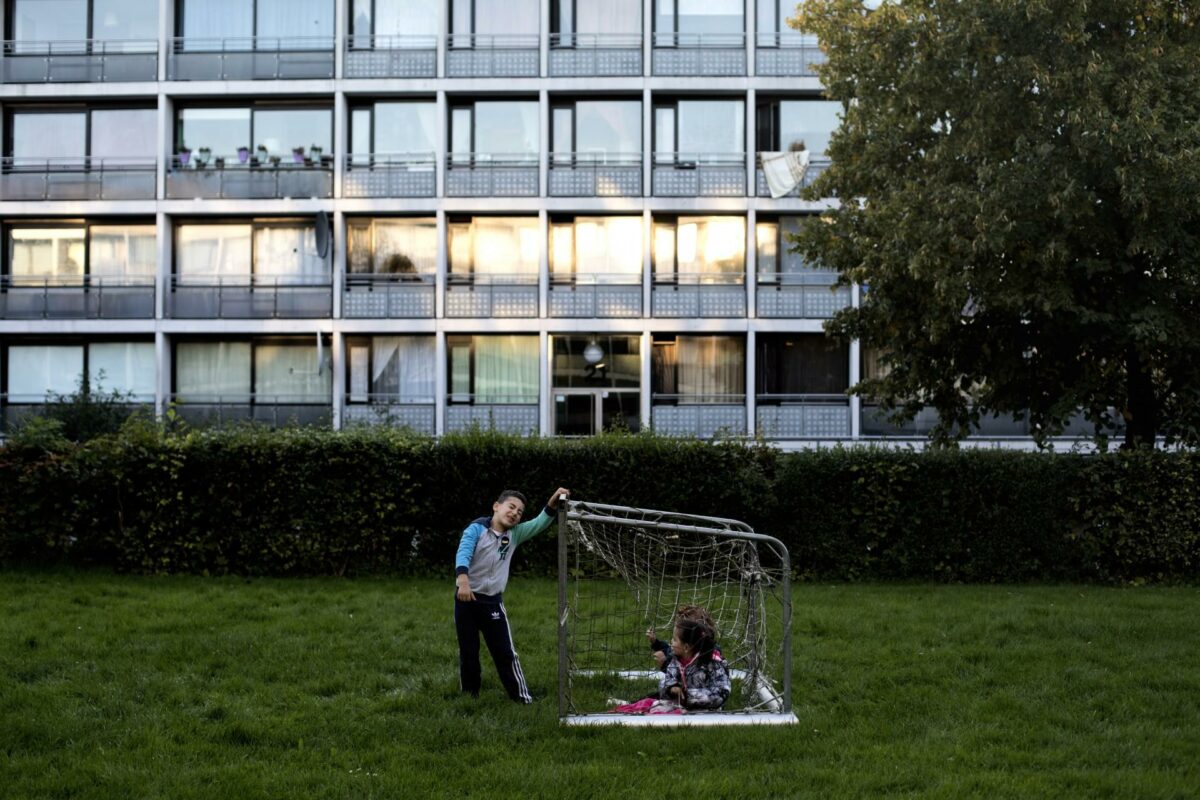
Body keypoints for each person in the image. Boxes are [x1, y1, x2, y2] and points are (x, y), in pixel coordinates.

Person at [454, 487, 570, 704]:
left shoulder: (514, 534)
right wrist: (463, 581)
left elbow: (539, 523)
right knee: (468, 652)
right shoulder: (476, 529)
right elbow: (464, 551)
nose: (515, 513)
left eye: (519, 511)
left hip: (492, 602)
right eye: (511, 507)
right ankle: (469, 697)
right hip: (466, 599)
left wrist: (552, 502)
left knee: (505, 653)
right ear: (496, 506)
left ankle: (522, 698)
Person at [658, 616, 731, 710]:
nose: (671, 642)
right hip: (681, 707)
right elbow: (667, 680)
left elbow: (722, 692)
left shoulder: (711, 663)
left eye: (674, 640)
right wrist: (672, 688)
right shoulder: (675, 661)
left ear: (686, 647)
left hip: (708, 712)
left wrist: (688, 695)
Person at [646, 604, 723, 671]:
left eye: (676, 639)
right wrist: (656, 642)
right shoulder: (682, 650)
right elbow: (668, 649)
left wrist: (664, 665)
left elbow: (684, 677)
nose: (672, 642)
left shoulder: (710, 657)